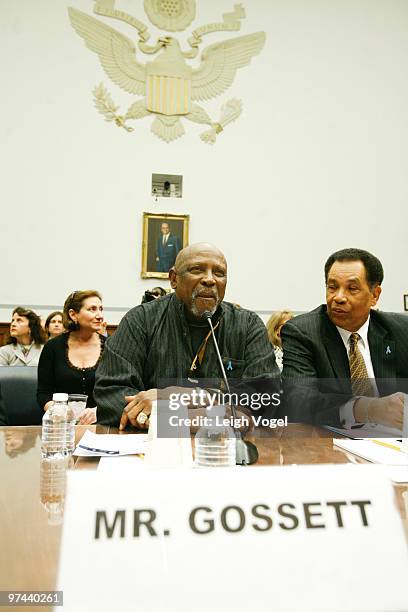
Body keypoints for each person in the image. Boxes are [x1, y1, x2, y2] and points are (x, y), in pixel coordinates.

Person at [95, 243, 279, 428]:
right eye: (197, 270)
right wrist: (211, 413)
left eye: (219, 273)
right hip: (152, 448)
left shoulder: (247, 325)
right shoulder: (141, 320)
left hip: (224, 449)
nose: (209, 279)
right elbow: (111, 395)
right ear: (174, 279)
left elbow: (265, 397)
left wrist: (180, 399)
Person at [281, 248, 408, 430]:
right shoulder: (303, 332)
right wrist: (366, 408)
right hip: (335, 443)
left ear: (375, 295)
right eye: (332, 287)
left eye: (352, 288)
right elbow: (298, 400)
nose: (338, 297)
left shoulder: (401, 330)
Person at [37, 290, 106, 425]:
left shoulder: (111, 347)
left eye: (101, 309)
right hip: (61, 426)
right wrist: (58, 412)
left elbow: (119, 392)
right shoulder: (52, 347)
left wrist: (100, 411)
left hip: (102, 425)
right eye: (92, 309)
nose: (100, 315)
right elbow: (43, 394)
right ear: (73, 314)